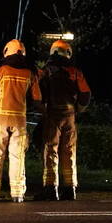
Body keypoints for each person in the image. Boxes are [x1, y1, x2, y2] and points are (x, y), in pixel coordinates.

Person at [0, 39, 43, 203]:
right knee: (18, 157)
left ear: (6, 51)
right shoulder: (30, 73)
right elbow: (37, 100)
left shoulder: (0, 70)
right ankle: (18, 193)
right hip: (20, 121)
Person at [34, 39, 91, 201]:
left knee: (50, 150)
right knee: (69, 151)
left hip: (52, 115)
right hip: (70, 117)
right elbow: (86, 95)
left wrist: (42, 110)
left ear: (52, 52)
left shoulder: (45, 71)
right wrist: (77, 109)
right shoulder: (76, 72)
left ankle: (51, 189)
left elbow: (37, 93)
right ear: (68, 53)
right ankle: (70, 188)